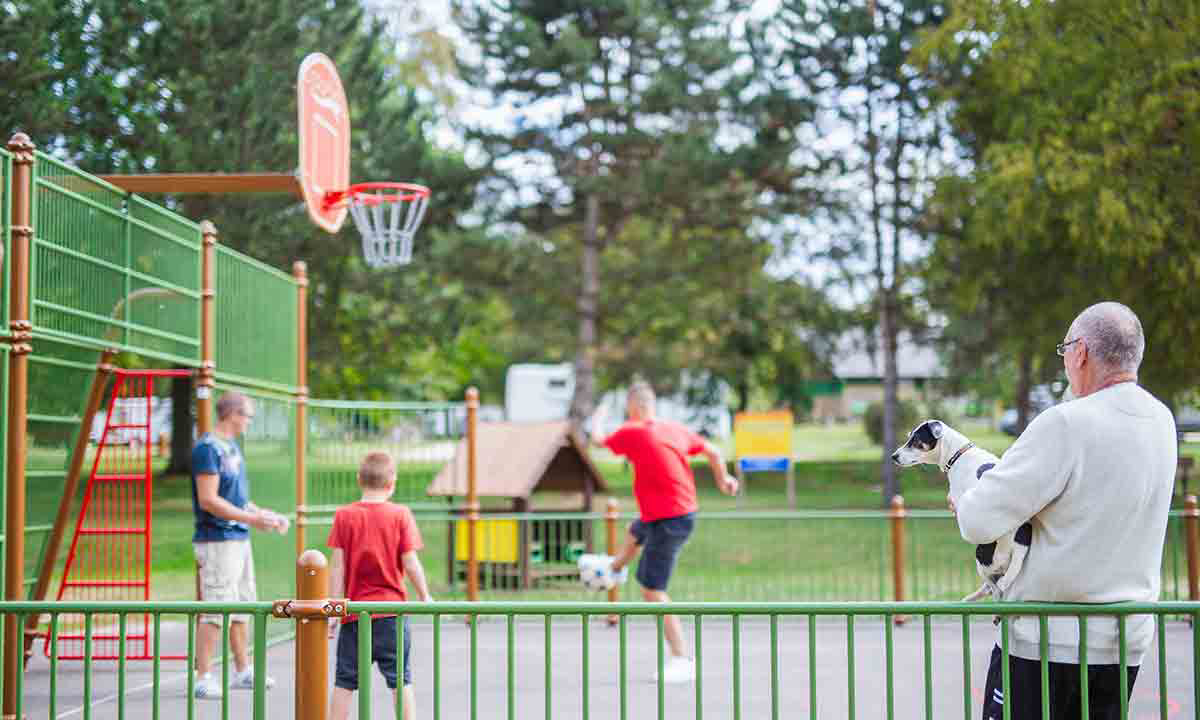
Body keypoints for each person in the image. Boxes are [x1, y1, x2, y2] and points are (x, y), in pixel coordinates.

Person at [947, 302, 1176, 719]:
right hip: (1123, 641)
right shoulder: (1162, 421)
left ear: (1081, 352)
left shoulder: (1065, 423)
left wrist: (965, 494)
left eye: (1064, 349)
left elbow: (976, 520)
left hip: (1045, 643)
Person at [590, 382, 738, 684]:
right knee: (635, 532)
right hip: (671, 513)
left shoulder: (633, 430)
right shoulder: (673, 428)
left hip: (670, 519)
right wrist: (724, 480)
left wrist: (598, 416)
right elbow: (712, 450)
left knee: (651, 589)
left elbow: (596, 441)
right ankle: (613, 569)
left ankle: (682, 658)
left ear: (633, 408)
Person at [191, 391, 289, 700]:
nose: (249, 421)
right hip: (217, 541)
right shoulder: (207, 449)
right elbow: (208, 500)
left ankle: (242, 670)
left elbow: (238, 498)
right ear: (232, 414)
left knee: (242, 605)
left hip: (238, 539)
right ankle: (203, 676)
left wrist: (263, 516)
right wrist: (250, 519)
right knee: (216, 607)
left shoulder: (231, 448)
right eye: (248, 415)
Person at [327, 451, 433, 720]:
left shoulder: (344, 516)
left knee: (344, 681)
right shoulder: (400, 515)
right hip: (391, 614)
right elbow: (410, 563)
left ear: (358, 479)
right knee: (401, 680)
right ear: (392, 482)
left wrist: (334, 608)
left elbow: (337, 566)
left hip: (354, 613)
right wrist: (425, 596)